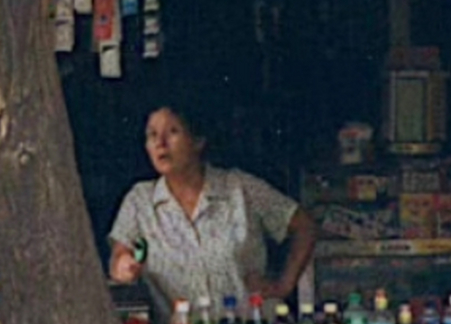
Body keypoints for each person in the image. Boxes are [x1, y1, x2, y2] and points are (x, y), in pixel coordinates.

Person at [108, 105, 318, 310]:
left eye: (172, 132)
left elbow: (304, 225)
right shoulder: (140, 200)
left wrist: (283, 285)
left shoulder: (240, 188)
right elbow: (120, 254)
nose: (160, 144)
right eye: (152, 135)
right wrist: (123, 266)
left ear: (198, 141)